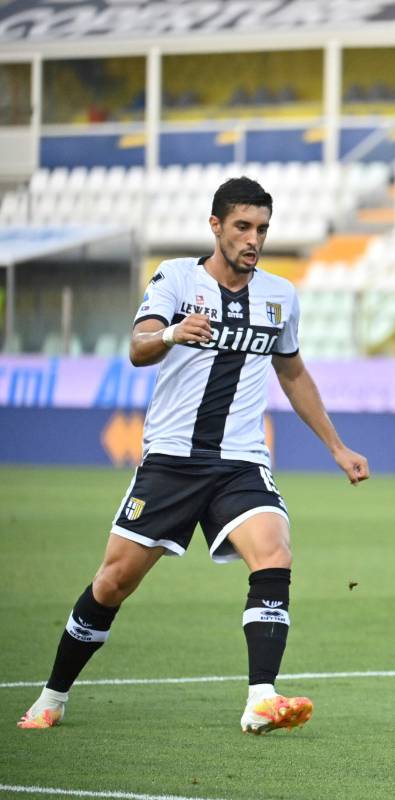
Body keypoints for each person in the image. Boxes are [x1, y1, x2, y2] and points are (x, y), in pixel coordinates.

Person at [17, 177, 370, 733]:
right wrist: (173, 334)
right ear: (216, 226)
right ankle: (52, 696)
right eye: (243, 227)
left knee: (275, 554)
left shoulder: (280, 296)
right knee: (112, 583)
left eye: (262, 229)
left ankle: (261, 698)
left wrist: (336, 446)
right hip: (172, 463)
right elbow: (138, 348)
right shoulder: (176, 279)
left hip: (241, 463)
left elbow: (292, 371)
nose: (254, 239)